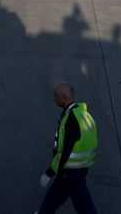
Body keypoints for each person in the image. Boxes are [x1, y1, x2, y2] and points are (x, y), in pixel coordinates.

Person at [37, 82, 99, 214]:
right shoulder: (85, 115)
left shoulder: (71, 119)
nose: (54, 99)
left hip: (68, 172)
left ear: (64, 97)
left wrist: (50, 173)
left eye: (56, 96)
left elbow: (65, 151)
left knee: (52, 201)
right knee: (82, 203)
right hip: (81, 170)